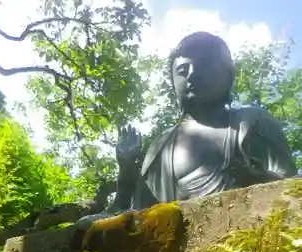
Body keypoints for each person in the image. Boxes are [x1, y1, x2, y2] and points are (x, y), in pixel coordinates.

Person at [78, 32, 296, 225]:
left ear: (227, 73)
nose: (192, 74)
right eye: (182, 70)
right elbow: (136, 214)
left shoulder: (251, 123)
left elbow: (292, 189)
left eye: (204, 64)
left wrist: (259, 179)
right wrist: (126, 170)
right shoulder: (161, 145)